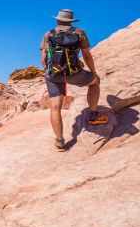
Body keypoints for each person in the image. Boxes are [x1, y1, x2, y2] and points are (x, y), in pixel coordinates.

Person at [40, 9, 108, 151]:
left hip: (54, 74)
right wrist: (94, 73)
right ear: (71, 21)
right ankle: (93, 115)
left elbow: (44, 59)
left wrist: (51, 72)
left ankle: (59, 141)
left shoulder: (49, 34)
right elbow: (87, 55)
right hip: (74, 73)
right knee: (95, 82)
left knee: (55, 107)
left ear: (57, 20)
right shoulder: (79, 33)